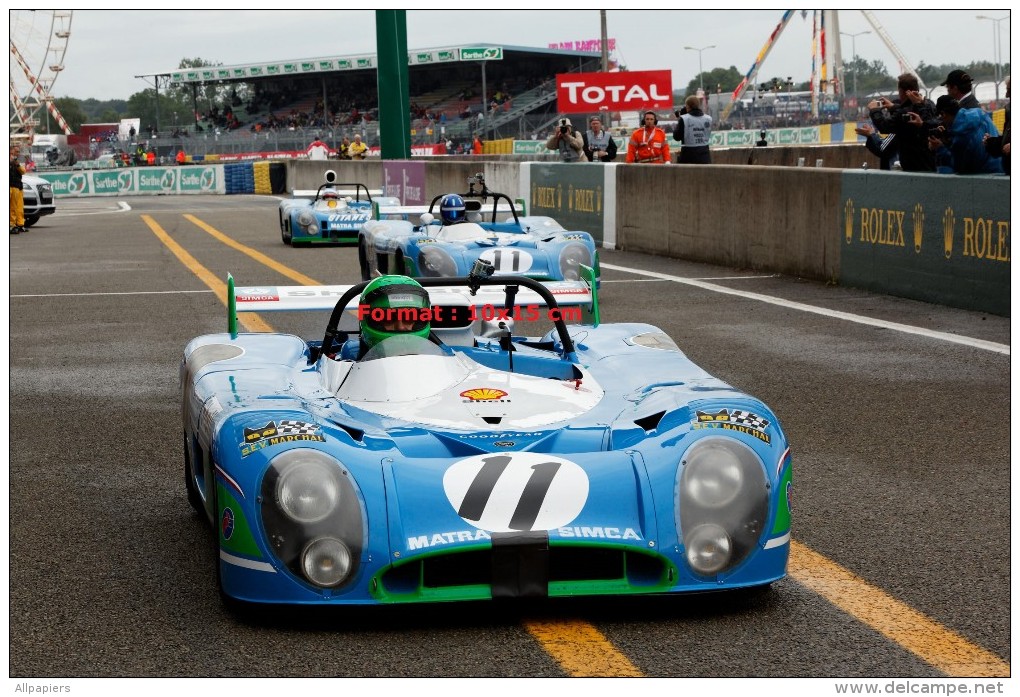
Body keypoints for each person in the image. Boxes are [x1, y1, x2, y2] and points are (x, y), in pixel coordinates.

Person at [867, 73, 939, 172]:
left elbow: (885, 127)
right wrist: (894, 107)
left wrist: (874, 110)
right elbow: (912, 108)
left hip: (913, 165)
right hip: (931, 162)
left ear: (901, 91)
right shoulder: (929, 105)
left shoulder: (903, 113)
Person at [356, 275, 434, 359]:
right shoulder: (350, 354)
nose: (400, 327)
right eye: (388, 318)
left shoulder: (439, 358)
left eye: (409, 317)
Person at [930, 95, 1003, 175]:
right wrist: (948, 136)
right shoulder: (979, 113)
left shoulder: (960, 140)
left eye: (941, 118)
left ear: (943, 114)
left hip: (984, 177)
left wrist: (940, 148)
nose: (942, 122)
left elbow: (958, 167)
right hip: (1000, 168)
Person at [674, 95, 713, 164]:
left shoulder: (684, 119)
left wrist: (680, 119)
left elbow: (676, 137)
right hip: (705, 154)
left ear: (688, 106)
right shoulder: (708, 118)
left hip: (688, 155)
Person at [984, 75, 1010, 175]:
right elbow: (1005, 144)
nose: (1007, 95)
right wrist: (991, 142)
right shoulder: (1009, 112)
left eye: (1010, 90)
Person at [10, 146, 26, 234]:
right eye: (14, 152)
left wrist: (16, 163)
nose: (17, 154)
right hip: (12, 186)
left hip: (18, 186)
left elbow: (23, 171)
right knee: (12, 208)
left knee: (18, 208)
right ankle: (12, 225)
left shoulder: (17, 162)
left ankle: (20, 224)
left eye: (17, 152)